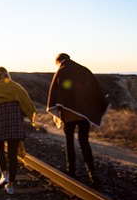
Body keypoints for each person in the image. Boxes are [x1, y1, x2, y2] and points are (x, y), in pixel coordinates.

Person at [46, 53, 109, 184]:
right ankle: (92, 172)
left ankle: (71, 170)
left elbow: (56, 92)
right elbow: (95, 89)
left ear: (58, 61)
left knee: (69, 141)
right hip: (85, 114)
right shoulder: (84, 70)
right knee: (84, 142)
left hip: (69, 115)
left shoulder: (62, 70)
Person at [0, 67, 36, 194]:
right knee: (12, 155)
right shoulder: (16, 87)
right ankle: (11, 185)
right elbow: (26, 105)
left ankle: (4, 174)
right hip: (16, 127)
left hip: (1, 126)